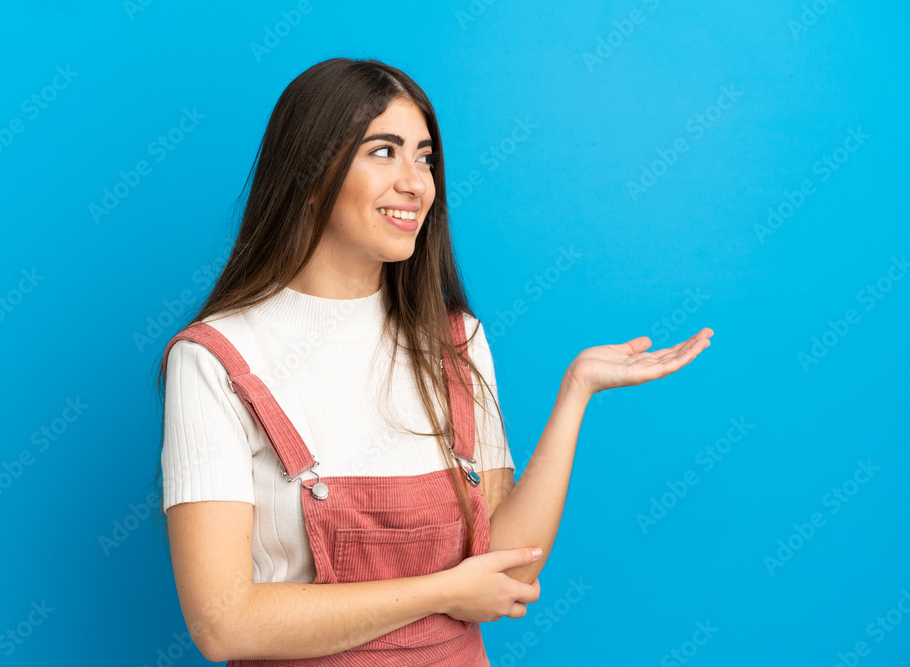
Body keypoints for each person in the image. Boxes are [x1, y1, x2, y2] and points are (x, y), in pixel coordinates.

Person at [151, 57, 713, 665]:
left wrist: (576, 393)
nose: (417, 183)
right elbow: (224, 624)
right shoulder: (215, 359)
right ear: (310, 174)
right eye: (383, 151)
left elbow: (507, 566)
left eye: (425, 157)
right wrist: (443, 591)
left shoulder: (455, 340)